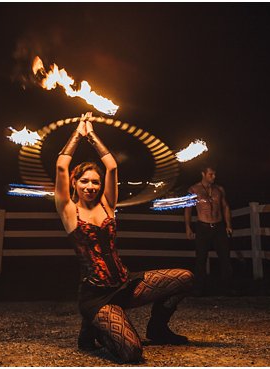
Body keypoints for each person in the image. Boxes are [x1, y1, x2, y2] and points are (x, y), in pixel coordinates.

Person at [55, 112, 194, 363]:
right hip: (96, 296)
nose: (90, 186)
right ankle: (93, 325)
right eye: (84, 181)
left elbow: (112, 166)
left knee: (185, 278)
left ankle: (158, 329)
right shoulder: (68, 211)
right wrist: (77, 133)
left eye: (95, 182)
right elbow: (61, 165)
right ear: (74, 183)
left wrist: (93, 135)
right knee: (132, 352)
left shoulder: (108, 205)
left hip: (125, 284)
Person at [184, 165, 233, 295]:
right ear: (203, 174)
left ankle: (227, 288)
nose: (214, 177)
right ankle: (199, 288)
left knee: (225, 257)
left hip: (219, 227)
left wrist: (228, 225)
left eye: (214, 174)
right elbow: (188, 210)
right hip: (203, 227)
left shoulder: (219, 189)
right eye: (211, 174)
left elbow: (225, 207)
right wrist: (188, 227)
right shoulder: (194, 189)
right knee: (201, 259)